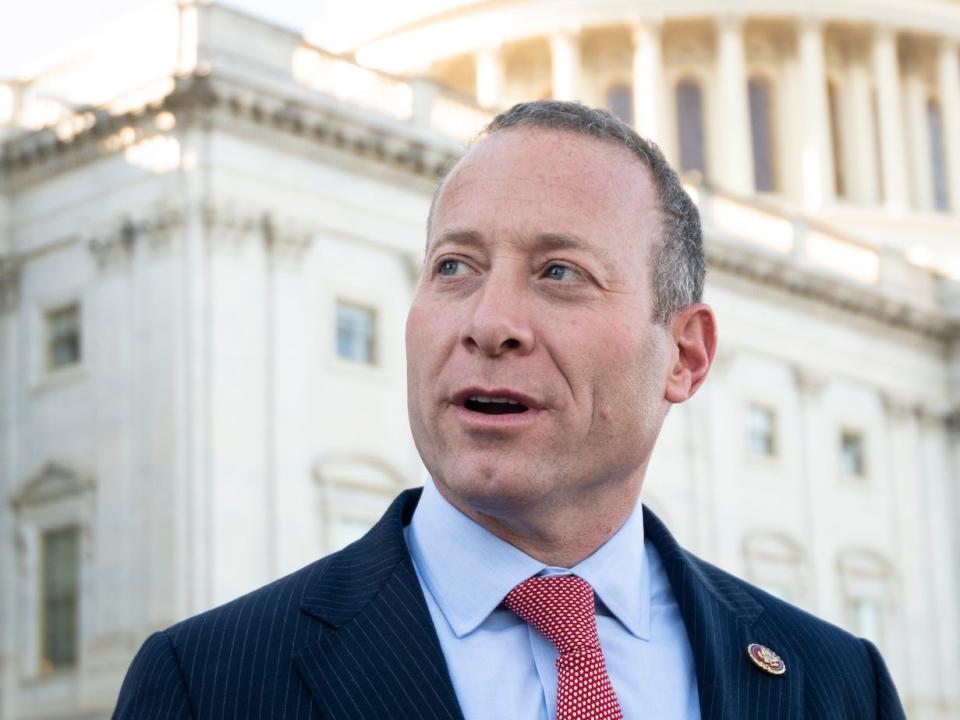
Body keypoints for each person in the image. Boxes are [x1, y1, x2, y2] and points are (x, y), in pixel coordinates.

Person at [114, 101, 905, 719]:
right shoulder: (205, 684)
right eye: (453, 265)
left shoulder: (837, 687)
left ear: (686, 356)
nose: (488, 322)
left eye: (560, 272)